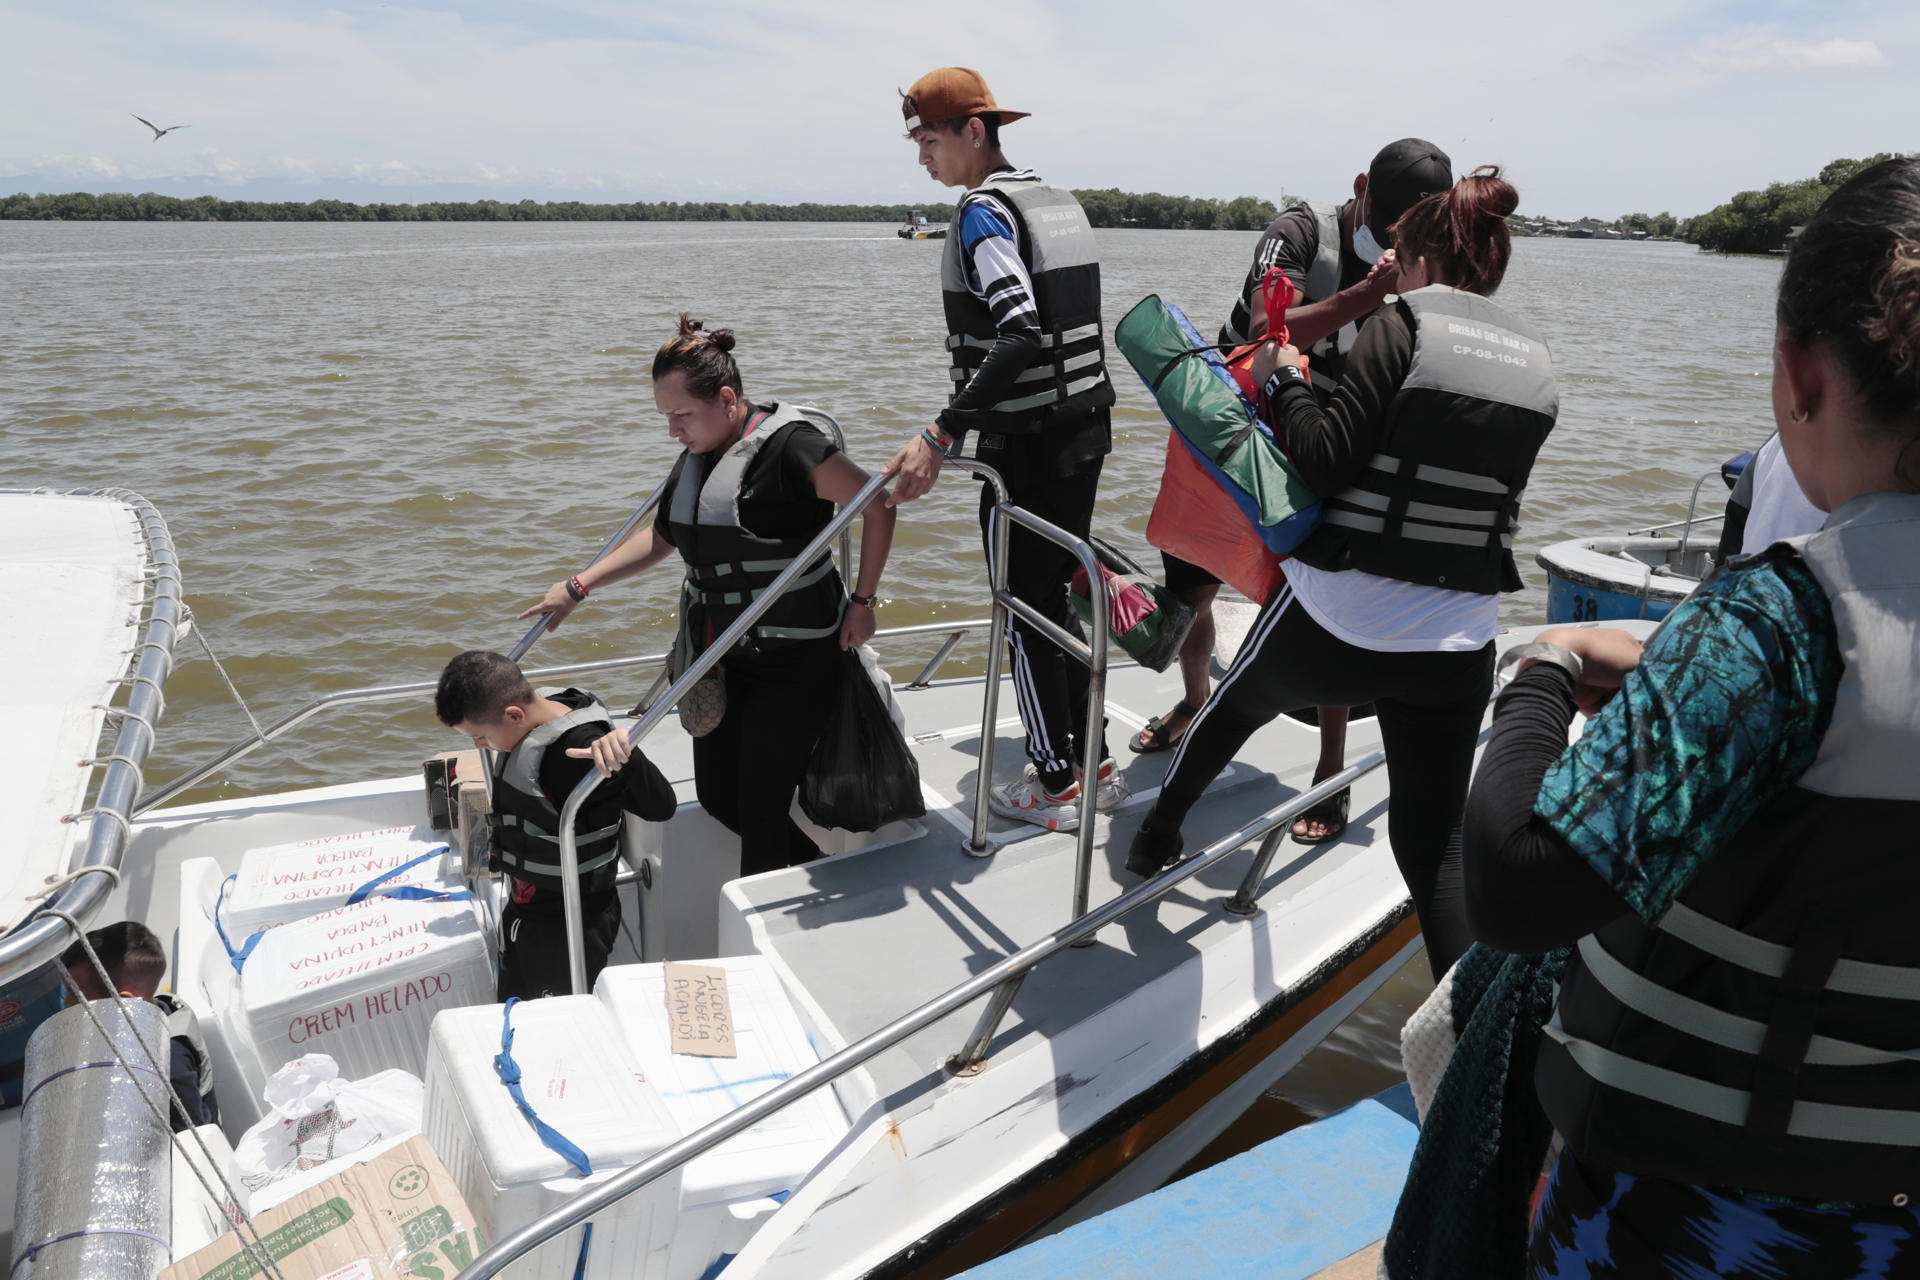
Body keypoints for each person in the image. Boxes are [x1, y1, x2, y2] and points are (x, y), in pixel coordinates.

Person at [1460, 157, 1920, 1275]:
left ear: (1797, 374)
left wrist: (1540, 669)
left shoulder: (1778, 624)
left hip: (1694, 1216)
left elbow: (1517, 883)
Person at [1128, 167, 1557, 983]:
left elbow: (1324, 464)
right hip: (1459, 640)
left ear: (1421, 260)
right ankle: (1466, 1029)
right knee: (1435, 850)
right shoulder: (1536, 362)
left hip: (1341, 613)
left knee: (1225, 713)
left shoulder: (1404, 327)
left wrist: (1288, 376)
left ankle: (1154, 840)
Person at [1141, 140, 1455, 848]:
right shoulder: (1298, 234)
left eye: (1416, 233)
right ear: (1359, 192)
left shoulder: (1426, 256)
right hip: (1233, 420)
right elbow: (1264, 334)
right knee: (1190, 583)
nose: (1400, 243)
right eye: (1392, 226)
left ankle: (1330, 767)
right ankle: (1195, 702)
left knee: (1326, 602)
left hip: (1323, 438)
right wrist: (1367, 295)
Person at [521, 316, 898, 876]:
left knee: (763, 819)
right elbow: (665, 536)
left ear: (725, 399)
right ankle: (823, 867)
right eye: (665, 417)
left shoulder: (794, 448)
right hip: (719, 658)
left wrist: (863, 603)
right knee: (721, 798)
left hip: (794, 661)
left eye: (680, 416)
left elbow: (878, 504)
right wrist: (579, 586)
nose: (672, 431)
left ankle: (767, 938)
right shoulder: (700, 451)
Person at [886, 66, 1124, 833]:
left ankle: (1056, 785)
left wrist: (941, 430)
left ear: (974, 133)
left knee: (1023, 606)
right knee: (1057, 590)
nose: (923, 156)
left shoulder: (983, 216)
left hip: (1025, 441)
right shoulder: (1053, 199)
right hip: (1084, 427)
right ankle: (1092, 759)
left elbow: (1019, 329)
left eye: (929, 140)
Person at [435, 650, 674, 1000]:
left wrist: (626, 753)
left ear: (514, 714)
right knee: (514, 1008)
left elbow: (662, 804)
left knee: (555, 1023)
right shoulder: (540, 710)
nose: (479, 745)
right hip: (528, 909)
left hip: (569, 924)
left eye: (481, 736)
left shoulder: (580, 750)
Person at [62, 920, 218, 1130]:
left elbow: (193, 1131)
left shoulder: (169, 1059)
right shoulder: (152, 1004)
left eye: (75, 995)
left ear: (125, 1001)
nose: (66, 1003)